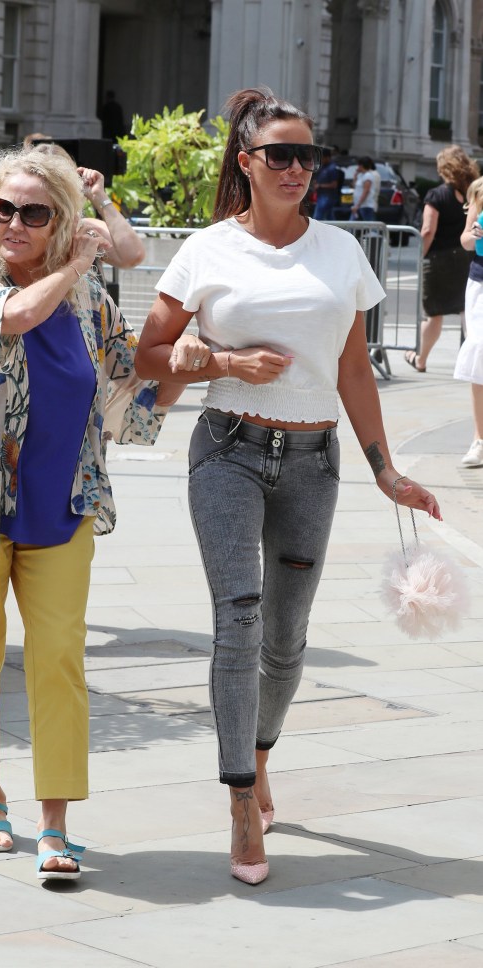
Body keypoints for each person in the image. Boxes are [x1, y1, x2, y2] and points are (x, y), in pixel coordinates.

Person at [134, 87, 441, 886]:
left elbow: (351, 370)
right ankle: (240, 798)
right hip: (228, 449)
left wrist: (387, 469)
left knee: (285, 639)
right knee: (236, 620)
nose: (298, 168)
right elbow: (147, 356)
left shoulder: (341, 252)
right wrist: (228, 362)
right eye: (281, 154)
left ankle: (261, 754)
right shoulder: (206, 249)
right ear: (246, 161)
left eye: (309, 155)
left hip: (314, 462)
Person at [0, 147, 186, 881]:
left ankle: (56, 821)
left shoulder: (90, 304)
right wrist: (74, 266)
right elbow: (11, 320)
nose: (12, 222)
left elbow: (126, 395)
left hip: (64, 506)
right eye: (0, 209)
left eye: (33, 212)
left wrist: (198, 363)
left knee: (60, 665)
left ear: (59, 219)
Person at [405, 144, 479, 373]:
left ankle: (421, 359)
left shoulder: (437, 195)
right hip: (466, 259)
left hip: (438, 260)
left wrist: (421, 255)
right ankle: (473, 361)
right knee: (467, 313)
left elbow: (427, 230)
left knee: (434, 314)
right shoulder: (472, 193)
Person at [26, 141, 145, 270]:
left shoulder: (85, 229)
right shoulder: (17, 227)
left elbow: (133, 256)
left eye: (60, 184)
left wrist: (99, 196)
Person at [454, 176, 483, 466]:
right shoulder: (480, 191)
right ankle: (479, 439)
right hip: (481, 284)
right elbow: (464, 241)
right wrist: (475, 233)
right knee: (480, 354)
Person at [313, 147, 341, 220]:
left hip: (327, 196)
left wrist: (320, 186)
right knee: (329, 217)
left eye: (322, 158)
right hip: (321, 195)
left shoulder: (332, 168)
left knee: (318, 216)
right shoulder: (323, 167)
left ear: (327, 157)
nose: (321, 160)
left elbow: (334, 184)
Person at [350, 156, 380, 221]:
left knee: (370, 226)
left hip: (365, 205)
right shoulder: (360, 175)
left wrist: (358, 204)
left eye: (358, 165)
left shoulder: (368, 176)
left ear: (361, 166)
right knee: (352, 224)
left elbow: (366, 191)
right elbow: (354, 186)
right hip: (358, 205)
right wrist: (355, 176)